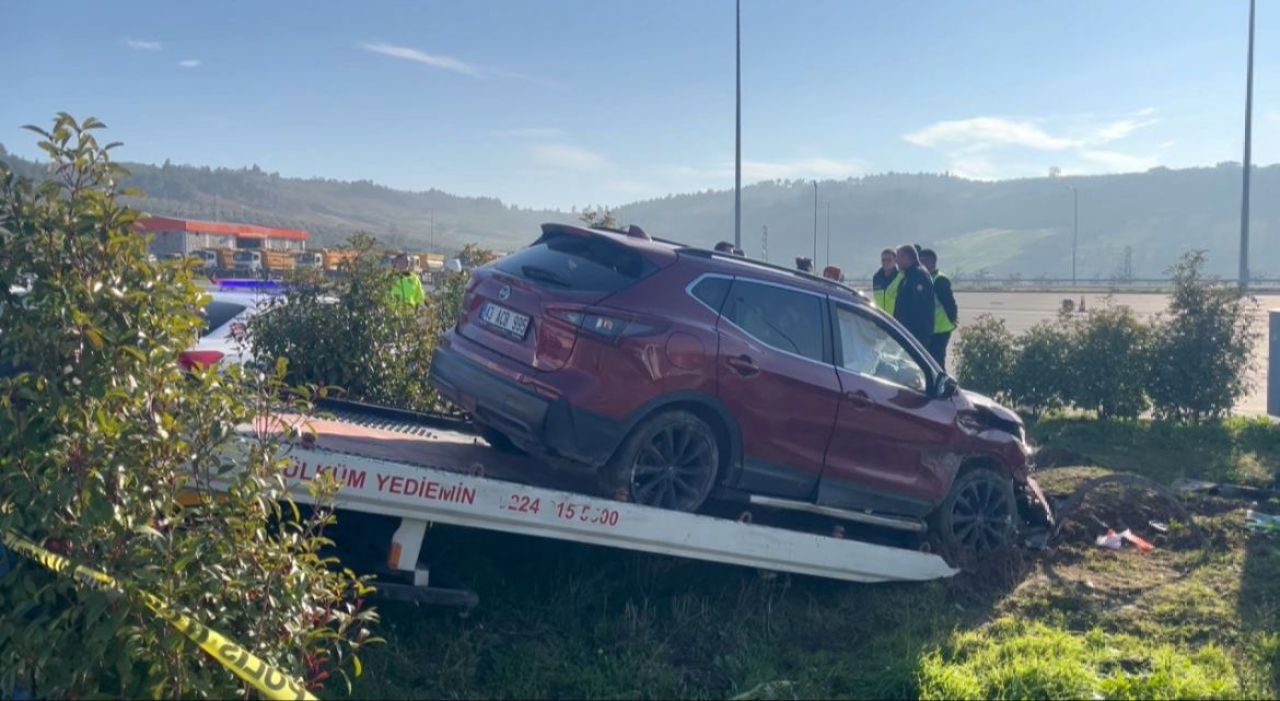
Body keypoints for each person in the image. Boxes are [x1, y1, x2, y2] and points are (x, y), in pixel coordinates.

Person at [919, 248, 958, 369]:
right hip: (930, 329)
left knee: (937, 361)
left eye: (923, 261)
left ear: (932, 262)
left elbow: (950, 304)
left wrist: (953, 320)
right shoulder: (925, 278)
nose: (921, 264)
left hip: (940, 329)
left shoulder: (939, 280)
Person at [891, 244, 935, 348]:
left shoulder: (918, 275)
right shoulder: (909, 275)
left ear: (907, 257)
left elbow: (919, 309)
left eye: (898, 257)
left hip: (915, 334)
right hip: (907, 332)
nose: (896, 261)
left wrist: (910, 334)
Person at [872, 248, 899, 313]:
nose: (886, 262)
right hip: (880, 317)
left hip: (895, 319)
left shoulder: (900, 277)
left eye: (889, 260)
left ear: (895, 261)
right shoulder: (876, 278)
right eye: (883, 260)